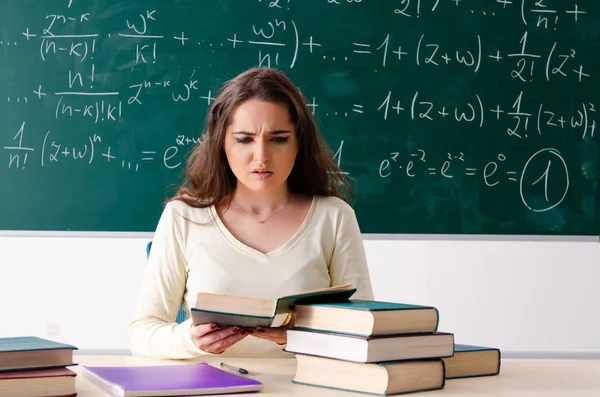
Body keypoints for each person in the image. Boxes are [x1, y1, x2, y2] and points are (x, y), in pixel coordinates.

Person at [128, 67, 374, 359]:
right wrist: (190, 339)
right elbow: (142, 333)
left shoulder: (334, 217)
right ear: (222, 143)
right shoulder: (183, 217)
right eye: (244, 139)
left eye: (279, 139)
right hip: (210, 387)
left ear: (299, 144)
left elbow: (367, 331)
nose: (261, 156)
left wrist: (299, 338)